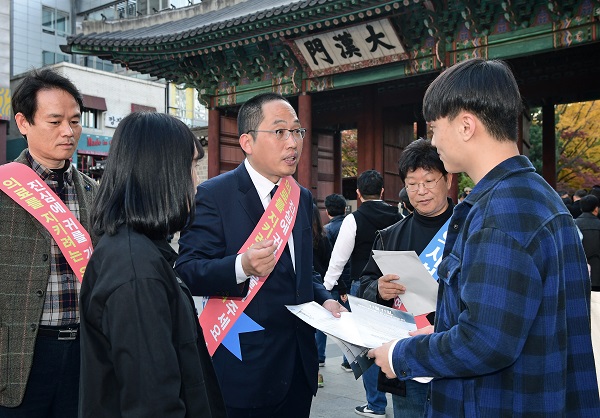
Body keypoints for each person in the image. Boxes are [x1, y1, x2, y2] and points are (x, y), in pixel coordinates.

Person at [369, 58, 600, 416]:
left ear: (465, 126)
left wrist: (401, 355)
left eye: (435, 128)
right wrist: (440, 334)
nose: (434, 141)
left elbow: (485, 341)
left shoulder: (499, 213)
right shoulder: (538, 195)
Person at [175, 92, 345, 418]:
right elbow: (187, 270)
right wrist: (242, 266)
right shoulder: (214, 195)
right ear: (247, 142)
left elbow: (303, 271)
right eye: (280, 131)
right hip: (246, 365)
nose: (293, 142)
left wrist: (324, 298)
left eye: (297, 131)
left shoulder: (301, 197)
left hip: (299, 366)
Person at [79, 112, 227, 417]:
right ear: (162, 173)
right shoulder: (136, 270)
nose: (196, 183)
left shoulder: (136, 250)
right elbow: (153, 403)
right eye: (190, 167)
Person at [0, 68, 98, 417]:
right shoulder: (4, 188)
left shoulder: (95, 192)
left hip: (84, 352)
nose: (68, 132)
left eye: (75, 121)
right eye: (55, 121)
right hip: (17, 356)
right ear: (23, 123)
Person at [360, 138, 453, 418]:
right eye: (412, 184)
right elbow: (365, 287)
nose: (421, 191)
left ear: (448, 179)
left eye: (429, 181)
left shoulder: (471, 228)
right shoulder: (390, 237)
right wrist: (378, 290)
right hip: (407, 359)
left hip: (455, 358)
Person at [322, 169, 401, 417]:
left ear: (358, 193)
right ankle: (400, 400)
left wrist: (326, 287)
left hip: (364, 287)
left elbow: (339, 259)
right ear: (382, 191)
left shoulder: (353, 219)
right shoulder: (398, 216)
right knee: (395, 341)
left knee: (367, 346)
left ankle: (375, 404)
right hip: (395, 286)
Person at [322, 193, 353, 371]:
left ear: (327, 211)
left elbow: (331, 262)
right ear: (344, 209)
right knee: (349, 321)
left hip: (332, 281)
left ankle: (319, 357)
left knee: (324, 320)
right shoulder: (352, 224)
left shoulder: (326, 230)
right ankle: (348, 360)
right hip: (350, 280)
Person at [311, 203, 332, 386]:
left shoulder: (297, 237)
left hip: (306, 289)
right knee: (319, 328)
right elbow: (329, 262)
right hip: (322, 286)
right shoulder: (323, 237)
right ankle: (319, 359)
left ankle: (314, 367)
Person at [575, 195, 600, 292]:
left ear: (581, 208)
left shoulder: (574, 225)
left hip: (579, 274)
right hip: (597, 275)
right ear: (596, 209)